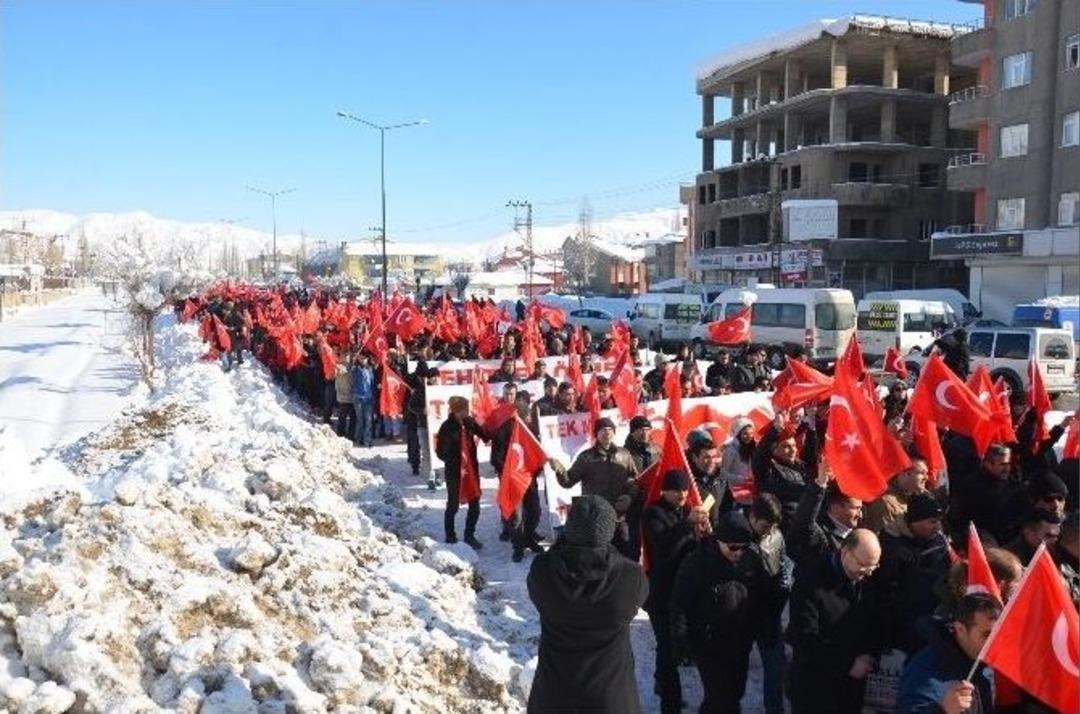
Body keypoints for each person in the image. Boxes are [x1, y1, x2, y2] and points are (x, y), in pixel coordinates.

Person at [527, 495, 648, 714]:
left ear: (569, 527)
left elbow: (539, 592)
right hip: (611, 697)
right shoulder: (630, 576)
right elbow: (640, 596)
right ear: (610, 531)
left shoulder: (543, 570)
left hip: (554, 695)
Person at [787, 529, 883, 714]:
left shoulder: (866, 579)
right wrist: (847, 665)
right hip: (815, 690)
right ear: (846, 553)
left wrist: (869, 653)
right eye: (863, 565)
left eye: (874, 566)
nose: (869, 572)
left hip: (850, 690)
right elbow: (804, 638)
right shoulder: (810, 582)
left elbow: (874, 620)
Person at [671, 511, 758, 714]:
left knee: (735, 693)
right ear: (719, 541)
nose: (738, 552)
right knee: (721, 698)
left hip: (739, 641)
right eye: (733, 547)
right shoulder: (697, 563)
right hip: (709, 643)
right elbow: (679, 604)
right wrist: (681, 642)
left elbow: (757, 594)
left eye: (743, 547)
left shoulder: (750, 559)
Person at [642, 469, 710, 714]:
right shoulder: (653, 513)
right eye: (675, 490)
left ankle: (662, 681)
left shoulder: (687, 510)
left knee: (681, 642)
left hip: (687, 591)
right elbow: (662, 549)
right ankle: (669, 704)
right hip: (662, 593)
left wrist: (703, 533)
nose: (681, 495)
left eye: (684, 490)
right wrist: (687, 524)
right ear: (664, 491)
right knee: (667, 648)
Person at [896, 594, 1000, 714]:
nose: (994, 641)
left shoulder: (982, 665)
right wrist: (942, 710)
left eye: (998, 634)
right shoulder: (927, 668)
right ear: (960, 629)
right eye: (987, 635)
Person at [876, 492, 953, 653]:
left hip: (933, 618)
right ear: (914, 521)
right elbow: (883, 593)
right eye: (932, 522)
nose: (938, 527)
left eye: (939, 521)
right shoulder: (890, 546)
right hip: (902, 628)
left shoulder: (939, 541)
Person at [553, 417, 640, 559]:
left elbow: (634, 480)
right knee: (599, 555)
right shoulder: (586, 457)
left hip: (620, 515)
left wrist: (629, 496)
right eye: (603, 430)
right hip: (597, 516)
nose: (607, 433)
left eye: (610, 430)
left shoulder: (624, 454)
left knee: (624, 553)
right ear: (596, 434)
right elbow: (568, 482)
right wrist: (560, 471)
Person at [741, 494, 789, 714]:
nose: (768, 532)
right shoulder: (736, 539)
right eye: (764, 526)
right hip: (742, 615)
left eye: (772, 527)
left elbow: (783, 563)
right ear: (752, 517)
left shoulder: (776, 535)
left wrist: (785, 582)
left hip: (769, 614)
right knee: (734, 670)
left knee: (775, 667)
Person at [435, 396, 489, 549]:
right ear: (456, 411)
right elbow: (440, 452)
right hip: (454, 472)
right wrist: (455, 458)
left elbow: (484, 435)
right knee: (453, 505)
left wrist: (481, 427)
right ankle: (450, 535)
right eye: (464, 410)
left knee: (475, 504)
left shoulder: (469, 422)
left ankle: (469, 535)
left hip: (471, 471)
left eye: (467, 409)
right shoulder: (446, 427)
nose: (467, 412)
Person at [753, 412, 817, 529]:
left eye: (794, 446)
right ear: (773, 450)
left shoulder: (799, 465)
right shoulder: (768, 470)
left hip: (806, 523)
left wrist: (812, 429)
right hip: (785, 528)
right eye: (786, 446)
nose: (793, 451)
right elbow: (761, 455)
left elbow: (810, 456)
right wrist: (775, 430)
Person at [953, 443, 1026, 545]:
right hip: (983, 540)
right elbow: (961, 518)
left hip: (1009, 538)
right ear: (988, 464)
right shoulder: (971, 486)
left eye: (1008, 464)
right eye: (1002, 465)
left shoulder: (1013, 484)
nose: (1007, 469)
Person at [862, 459, 929, 534]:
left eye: (927, 473)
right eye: (922, 473)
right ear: (905, 474)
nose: (926, 477)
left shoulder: (926, 498)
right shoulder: (885, 503)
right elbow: (884, 537)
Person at [719, 417, 756, 505]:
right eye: (745, 434)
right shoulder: (730, 450)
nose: (749, 436)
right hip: (735, 493)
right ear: (738, 434)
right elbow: (723, 473)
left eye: (751, 433)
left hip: (751, 490)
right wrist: (741, 480)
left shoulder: (753, 447)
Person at [350, 354, 376, 447]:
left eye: (365, 358)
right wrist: (353, 361)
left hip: (368, 398)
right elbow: (351, 373)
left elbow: (372, 384)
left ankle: (367, 440)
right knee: (360, 419)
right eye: (361, 358)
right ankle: (359, 438)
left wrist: (373, 396)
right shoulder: (355, 369)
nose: (363, 360)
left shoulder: (370, 369)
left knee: (368, 420)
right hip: (358, 397)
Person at [333, 356, 355, 439]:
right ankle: (351, 434)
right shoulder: (351, 368)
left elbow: (335, 381)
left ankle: (341, 433)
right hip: (349, 397)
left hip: (342, 397)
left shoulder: (338, 367)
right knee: (352, 417)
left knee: (342, 417)